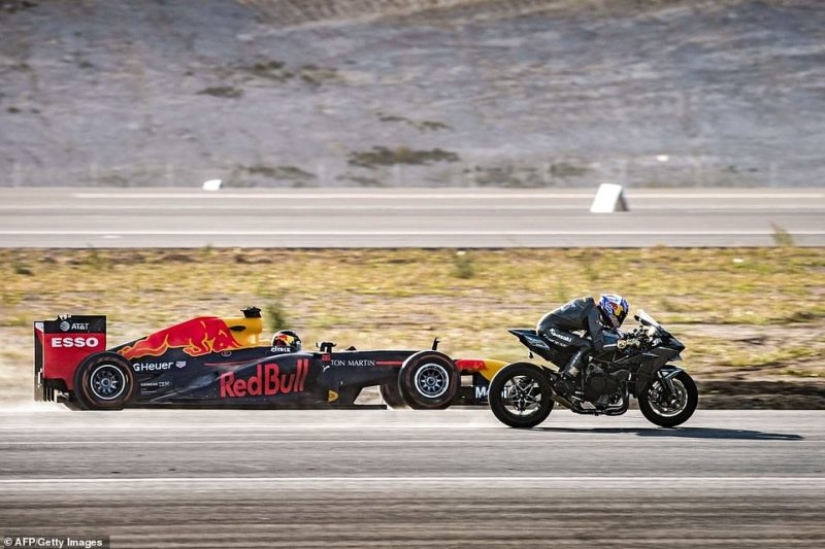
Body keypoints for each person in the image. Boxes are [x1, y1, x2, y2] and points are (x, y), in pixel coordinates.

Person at [536, 294, 629, 397]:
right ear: (611, 307)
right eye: (619, 313)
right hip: (550, 329)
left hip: (553, 327)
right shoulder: (594, 312)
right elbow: (598, 344)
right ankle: (566, 378)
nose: (619, 317)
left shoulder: (593, 310)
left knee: (584, 344)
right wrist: (619, 344)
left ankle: (577, 379)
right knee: (586, 346)